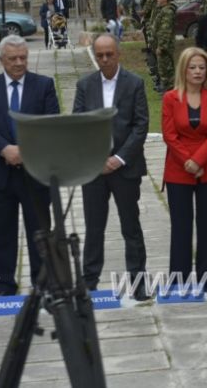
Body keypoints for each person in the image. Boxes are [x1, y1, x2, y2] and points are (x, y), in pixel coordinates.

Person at [0, 35, 59, 295]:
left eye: (23, 57)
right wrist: (5, 149)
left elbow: (51, 122)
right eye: (13, 59)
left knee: (39, 233)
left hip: (35, 173)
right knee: (3, 234)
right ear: (2, 60)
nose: (19, 63)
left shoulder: (44, 85)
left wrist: (26, 150)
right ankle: (6, 285)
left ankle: (41, 283)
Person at [73, 34, 150, 299]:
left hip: (125, 168)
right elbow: (78, 124)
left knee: (131, 226)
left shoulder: (135, 83)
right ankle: (89, 280)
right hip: (93, 170)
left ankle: (138, 281)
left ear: (118, 54)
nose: (104, 59)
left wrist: (119, 158)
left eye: (109, 54)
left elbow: (140, 126)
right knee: (94, 227)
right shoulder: (85, 85)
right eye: (100, 55)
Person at [162, 47, 207, 293]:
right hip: (178, 168)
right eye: (193, 67)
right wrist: (188, 161)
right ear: (183, 70)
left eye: (202, 67)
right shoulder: (170, 98)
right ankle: (180, 280)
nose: (198, 72)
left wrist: (198, 161)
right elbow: (169, 134)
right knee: (181, 225)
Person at [151, 0, 177, 92]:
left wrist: (161, 47)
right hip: (161, 45)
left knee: (166, 71)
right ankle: (167, 91)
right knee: (163, 70)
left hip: (164, 47)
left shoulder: (167, 11)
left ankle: (169, 92)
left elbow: (165, 31)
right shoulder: (163, 9)